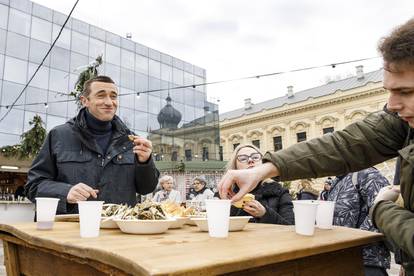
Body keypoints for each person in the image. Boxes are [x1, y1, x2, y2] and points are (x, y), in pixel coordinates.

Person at [218, 18, 414, 274]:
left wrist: (381, 208)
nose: (391, 104)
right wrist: (264, 168)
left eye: (407, 92)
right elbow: (345, 144)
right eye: (389, 91)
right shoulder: (402, 123)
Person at [25, 76, 159, 214]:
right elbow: (33, 186)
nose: (109, 102)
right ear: (85, 101)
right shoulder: (59, 136)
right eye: (101, 96)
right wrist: (65, 192)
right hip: (70, 231)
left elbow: (146, 188)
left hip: (118, 230)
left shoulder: (131, 141)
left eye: (113, 96)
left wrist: (145, 163)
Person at [328, 168, 390, 275]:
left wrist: (354, 242)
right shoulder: (337, 181)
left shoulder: (367, 174)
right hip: (342, 261)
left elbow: (385, 212)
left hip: (368, 262)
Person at [228, 144, 294, 225]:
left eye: (255, 157)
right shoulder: (226, 194)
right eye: (243, 159)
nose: (250, 160)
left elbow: (290, 227)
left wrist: (264, 214)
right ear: (235, 167)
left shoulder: (280, 192)